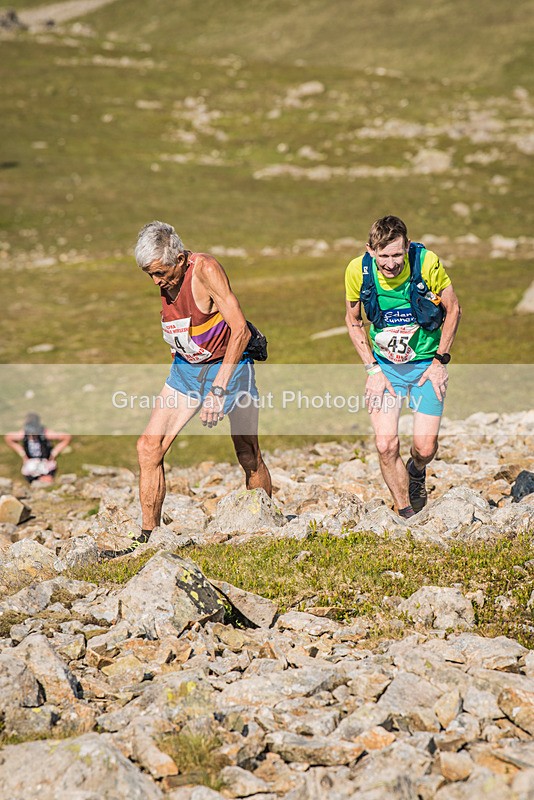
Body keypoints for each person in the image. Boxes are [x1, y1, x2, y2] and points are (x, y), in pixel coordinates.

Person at [111, 220, 272, 558]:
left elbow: (240, 330)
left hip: (228, 368)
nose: (156, 282)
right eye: (150, 275)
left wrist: (217, 390)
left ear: (180, 258)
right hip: (186, 371)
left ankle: (266, 527)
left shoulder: (205, 270)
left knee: (247, 453)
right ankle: (149, 537)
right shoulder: (165, 279)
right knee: (148, 448)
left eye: (160, 273)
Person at [345, 215, 461, 518]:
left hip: (425, 365)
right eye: (383, 256)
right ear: (370, 251)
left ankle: (417, 470)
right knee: (385, 445)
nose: (391, 263)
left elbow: (454, 309)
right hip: (385, 367)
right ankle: (406, 511)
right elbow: (353, 320)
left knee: (424, 448)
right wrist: (372, 369)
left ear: (407, 246)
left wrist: (440, 362)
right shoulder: (358, 270)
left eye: (397, 254)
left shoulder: (426, 262)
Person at [4, 413, 71, 484]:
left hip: (45, 463)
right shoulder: (24, 433)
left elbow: (66, 437)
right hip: (31, 465)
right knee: (31, 475)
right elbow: (8, 438)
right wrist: (22, 453)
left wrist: (54, 453)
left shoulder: (45, 433)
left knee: (46, 480)